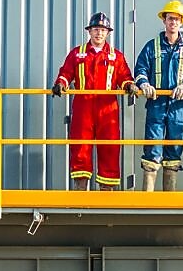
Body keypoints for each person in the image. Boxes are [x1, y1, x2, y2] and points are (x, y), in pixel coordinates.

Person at [52, 12, 135, 190]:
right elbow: (66, 72)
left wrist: (129, 85)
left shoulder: (116, 56)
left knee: (109, 146)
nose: (99, 33)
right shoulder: (77, 54)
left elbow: (125, 76)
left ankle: (107, 191)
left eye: (103, 30)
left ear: (108, 33)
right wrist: (60, 83)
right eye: (96, 29)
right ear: (89, 32)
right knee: (80, 145)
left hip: (108, 107)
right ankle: (81, 189)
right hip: (83, 105)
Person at [134, 0, 183, 191]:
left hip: (179, 106)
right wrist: (144, 83)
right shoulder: (152, 46)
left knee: (174, 148)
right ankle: (148, 199)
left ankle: (168, 198)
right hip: (156, 104)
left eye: (177, 19)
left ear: (182, 22)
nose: (173, 22)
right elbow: (140, 69)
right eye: (170, 18)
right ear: (164, 21)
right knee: (153, 147)